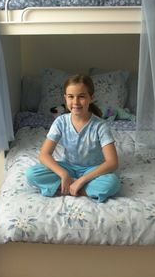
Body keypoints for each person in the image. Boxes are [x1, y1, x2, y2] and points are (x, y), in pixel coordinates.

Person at [26, 74, 120, 202]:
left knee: (112, 183)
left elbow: (112, 162)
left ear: (91, 98)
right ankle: (78, 187)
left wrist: (82, 180)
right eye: (71, 97)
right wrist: (63, 174)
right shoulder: (60, 122)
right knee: (32, 174)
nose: (75, 102)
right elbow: (44, 155)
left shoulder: (100, 126)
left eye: (81, 96)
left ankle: (71, 188)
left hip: (92, 169)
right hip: (67, 167)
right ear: (65, 98)